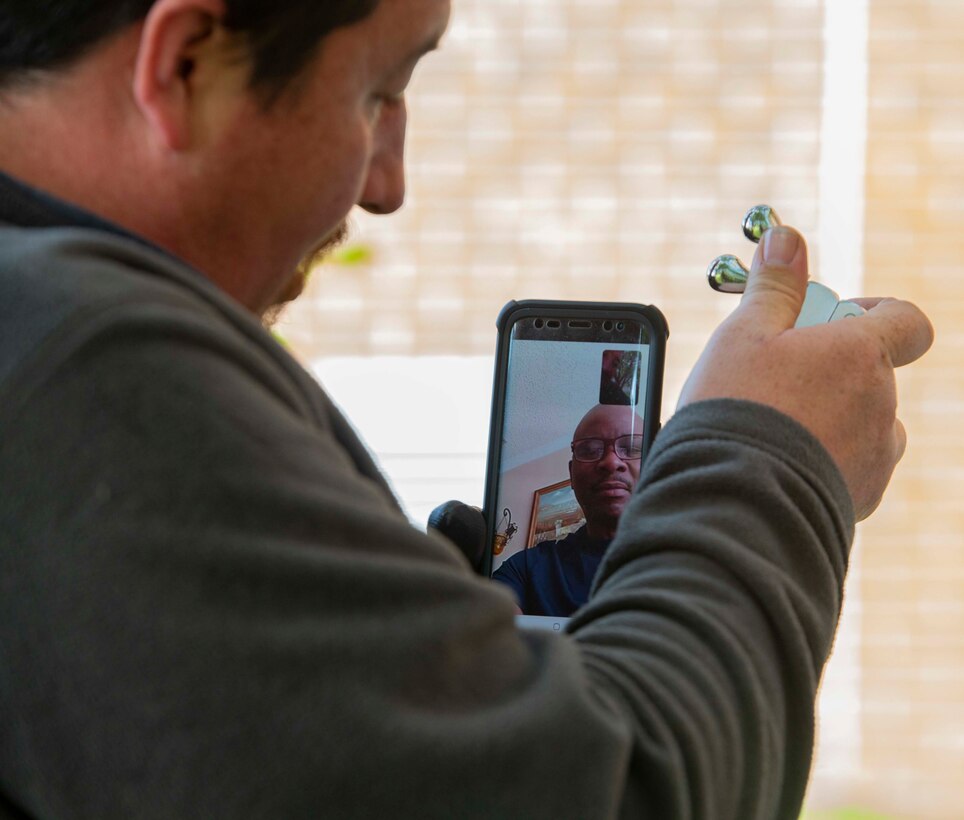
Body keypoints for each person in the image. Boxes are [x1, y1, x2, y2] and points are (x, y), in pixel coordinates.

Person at [0, 1, 934, 818]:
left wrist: (402, 636)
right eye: (377, 95)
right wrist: (769, 455)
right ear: (189, 62)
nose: (388, 186)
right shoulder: (82, 355)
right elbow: (620, 792)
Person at [493, 404, 644, 616]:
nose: (611, 462)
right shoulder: (524, 570)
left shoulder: (689, 560)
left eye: (631, 449)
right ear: (572, 474)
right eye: (590, 450)